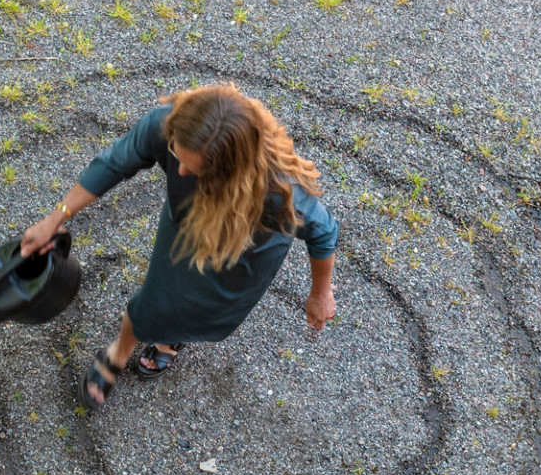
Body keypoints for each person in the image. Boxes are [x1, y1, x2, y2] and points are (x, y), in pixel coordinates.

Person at [20, 84, 339, 410]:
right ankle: (119, 349)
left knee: (206, 308)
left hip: (247, 250)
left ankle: (172, 336)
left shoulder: (279, 190)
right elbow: (115, 162)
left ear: (229, 171)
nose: (181, 172)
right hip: (188, 220)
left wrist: (320, 292)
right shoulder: (173, 124)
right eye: (177, 154)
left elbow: (324, 232)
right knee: (158, 297)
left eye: (195, 169)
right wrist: (55, 219)